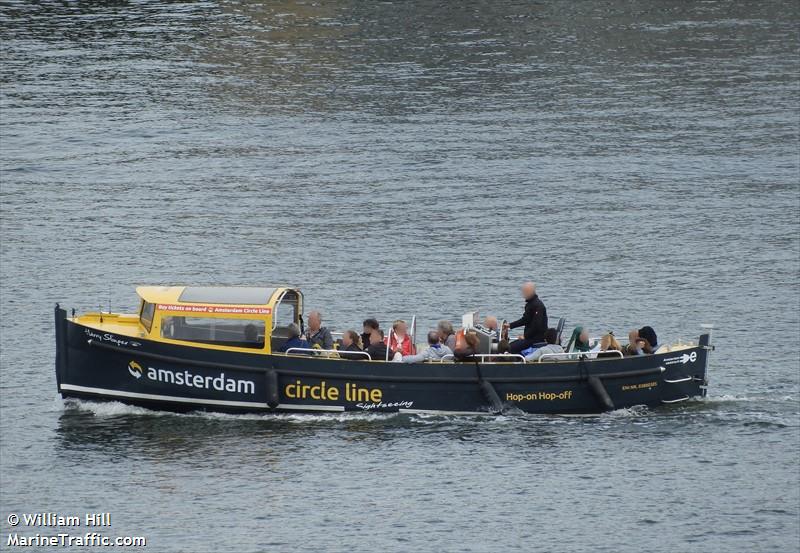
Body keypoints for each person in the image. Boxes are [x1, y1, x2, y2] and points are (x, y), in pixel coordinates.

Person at [504, 282, 548, 355]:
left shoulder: (537, 305)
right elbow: (525, 319)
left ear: (531, 292)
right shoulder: (530, 304)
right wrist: (510, 325)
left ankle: (520, 362)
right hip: (530, 338)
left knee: (511, 348)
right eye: (523, 291)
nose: (523, 294)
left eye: (525, 291)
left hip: (536, 339)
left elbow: (537, 326)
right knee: (509, 345)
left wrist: (525, 336)